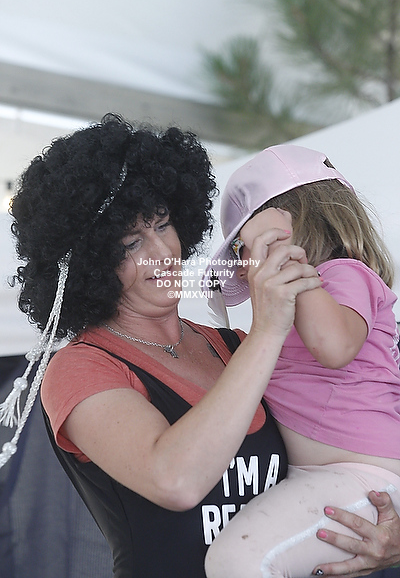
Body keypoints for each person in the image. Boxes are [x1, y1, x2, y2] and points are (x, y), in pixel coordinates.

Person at [0, 118, 399, 578]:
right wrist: (268, 328)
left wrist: (392, 535)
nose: (162, 251)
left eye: (164, 225)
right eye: (132, 242)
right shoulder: (81, 366)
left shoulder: (236, 346)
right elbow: (175, 481)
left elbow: (366, 420)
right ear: (91, 263)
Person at [203, 144, 400, 578]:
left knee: (238, 561)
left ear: (292, 230)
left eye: (244, 248)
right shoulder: (291, 308)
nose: (242, 266)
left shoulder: (344, 275)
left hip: (363, 475)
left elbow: (333, 347)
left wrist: (282, 256)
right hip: (326, 475)